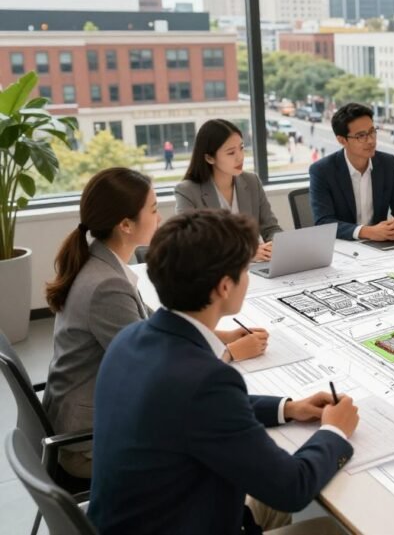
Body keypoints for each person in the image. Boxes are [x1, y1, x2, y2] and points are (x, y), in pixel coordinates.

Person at [88, 210, 359, 535]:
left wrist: (288, 408)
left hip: (136, 518)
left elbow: (195, 408)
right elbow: (292, 488)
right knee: (328, 529)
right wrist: (334, 432)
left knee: (266, 504)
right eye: (245, 269)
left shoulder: (130, 338)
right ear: (224, 287)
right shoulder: (206, 381)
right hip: (180, 521)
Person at [42, 169, 267, 479]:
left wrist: (223, 335)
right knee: (221, 450)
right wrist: (230, 353)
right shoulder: (106, 286)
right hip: (89, 444)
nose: (160, 217)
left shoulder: (103, 262)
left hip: (89, 414)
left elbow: (153, 326)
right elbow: (154, 374)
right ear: (125, 225)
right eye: (152, 209)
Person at [174, 119, 281, 262]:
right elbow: (191, 246)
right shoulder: (187, 191)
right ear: (209, 158)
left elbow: (271, 228)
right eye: (231, 153)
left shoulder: (252, 181)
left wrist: (274, 245)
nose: (240, 157)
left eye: (241, 148)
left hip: (257, 270)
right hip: (215, 274)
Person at [309, 102, 394, 241]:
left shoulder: (388, 163)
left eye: (372, 132)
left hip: (380, 247)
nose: (371, 140)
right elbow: (323, 222)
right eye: (361, 136)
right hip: (343, 249)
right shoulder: (322, 171)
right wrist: (367, 232)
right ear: (342, 140)